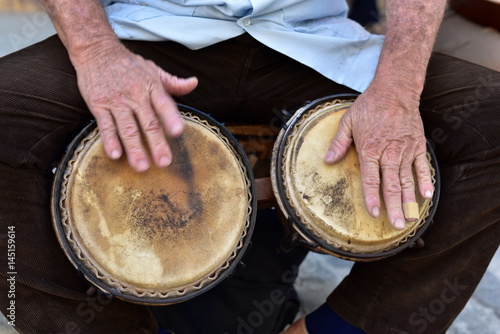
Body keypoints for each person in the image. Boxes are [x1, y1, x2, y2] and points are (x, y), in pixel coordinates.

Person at [0, 0, 498, 333]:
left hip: (311, 42)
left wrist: (398, 87)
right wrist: (94, 52)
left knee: (490, 121)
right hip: (143, 32)